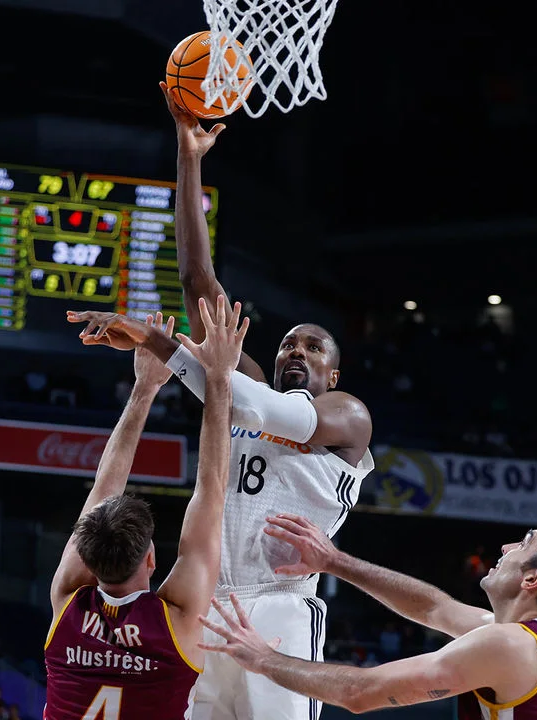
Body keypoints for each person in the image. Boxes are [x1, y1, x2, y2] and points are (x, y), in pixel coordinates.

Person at [70, 87, 375, 720]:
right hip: (203, 600)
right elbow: (196, 286)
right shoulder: (243, 385)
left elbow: (254, 408)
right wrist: (189, 157)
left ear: (333, 369)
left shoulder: (347, 415)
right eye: (288, 342)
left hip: (280, 608)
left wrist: (159, 341)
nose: (296, 350)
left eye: (313, 347)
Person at [195, 514, 537, 717]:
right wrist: (334, 561)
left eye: (524, 543)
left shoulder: (510, 644)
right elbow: (434, 608)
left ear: (534, 579)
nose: (505, 548)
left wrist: (264, 659)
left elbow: (360, 693)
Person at [44, 308, 246, 719]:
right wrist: (218, 378)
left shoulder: (68, 603)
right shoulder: (176, 620)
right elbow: (209, 491)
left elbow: (210, 494)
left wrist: (147, 389)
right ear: (151, 558)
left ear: (85, 555)